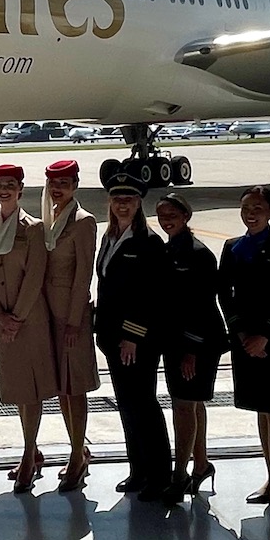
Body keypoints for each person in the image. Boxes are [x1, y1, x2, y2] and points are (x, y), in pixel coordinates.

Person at [218, 185, 270, 523]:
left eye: (257, 207)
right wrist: (240, 333)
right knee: (261, 412)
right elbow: (225, 293)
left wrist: (265, 336)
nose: (250, 212)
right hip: (245, 340)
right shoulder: (232, 247)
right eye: (246, 207)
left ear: (269, 212)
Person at [0, 164, 55, 494]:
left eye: (11, 184)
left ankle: (27, 455)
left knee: (32, 389)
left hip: (29, 321)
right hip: (2, 320)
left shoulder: (33, 229)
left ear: (21, 190)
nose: (5, 189)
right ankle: (31, 448)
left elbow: (35, 277)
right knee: (18, 389)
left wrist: (16, 318)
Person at [93, 173, 172, 501]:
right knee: (127, 404)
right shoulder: (109, 237)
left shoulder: (148, 242)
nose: (121, 204)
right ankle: (138, 469)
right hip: (113, 337)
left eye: (128, 199)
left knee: (144, 404)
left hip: (136, 342)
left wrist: (132, 337)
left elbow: (152, 296)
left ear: (139, 203)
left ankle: (160, 475)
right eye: (116, 198)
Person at [153, 192, 227, 498]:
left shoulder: (198, 253)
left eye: (173, 214)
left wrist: (191, 350)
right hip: (176, 341)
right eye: (162, 215)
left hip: (196, 342)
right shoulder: (170, 250)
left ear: (186, 217)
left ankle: (180, 473)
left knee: (184, 406)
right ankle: (201, 464)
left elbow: (203, 304)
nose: (167, 220)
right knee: (192, 403)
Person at [41, 159, 99, 492]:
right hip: (48, 313)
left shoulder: (83, 221)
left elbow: (83, 276)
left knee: (75, 387)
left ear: (75, 186)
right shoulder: (48, 218)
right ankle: (77, 447)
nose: (58, 189)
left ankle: (78, 456)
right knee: (61, 387)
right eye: (53, 183)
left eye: (64, 183)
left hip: (71, 315)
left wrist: (76, 321)